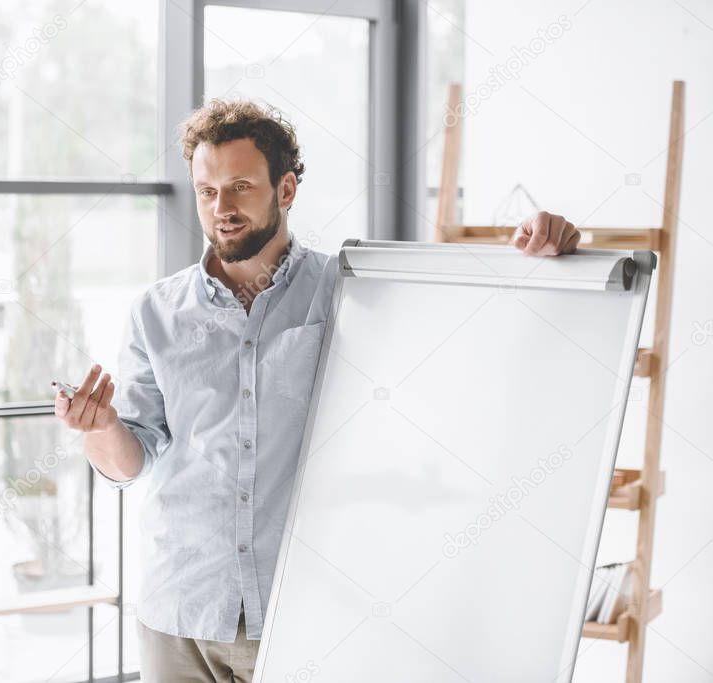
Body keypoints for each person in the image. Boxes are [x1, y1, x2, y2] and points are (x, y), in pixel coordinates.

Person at [54, 98, 581, 682]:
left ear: (285, 191)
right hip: (181, 607)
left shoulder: (349, 291)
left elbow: (460, 333)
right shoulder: (155, 312)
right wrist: (101, 429)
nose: (221, 209)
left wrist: (536, 260)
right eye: (207, 191)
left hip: (306, 609)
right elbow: (134, 460)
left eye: (240, 187)